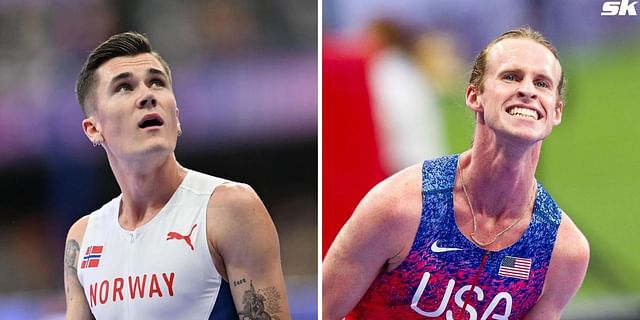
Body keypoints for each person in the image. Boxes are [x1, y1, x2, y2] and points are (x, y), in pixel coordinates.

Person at [323, 27, 589, 320]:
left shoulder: (562, 252)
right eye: (511, 77)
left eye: (542, 83)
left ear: (556, 112)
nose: (527, 90)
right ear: (475, 96)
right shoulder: (398, 207)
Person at [63, 32, 290, 319]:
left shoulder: (229, 209)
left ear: (177, 117)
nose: (147, 95)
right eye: (124, 87)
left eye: (157, 82)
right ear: (93, 129)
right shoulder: (83, 238)